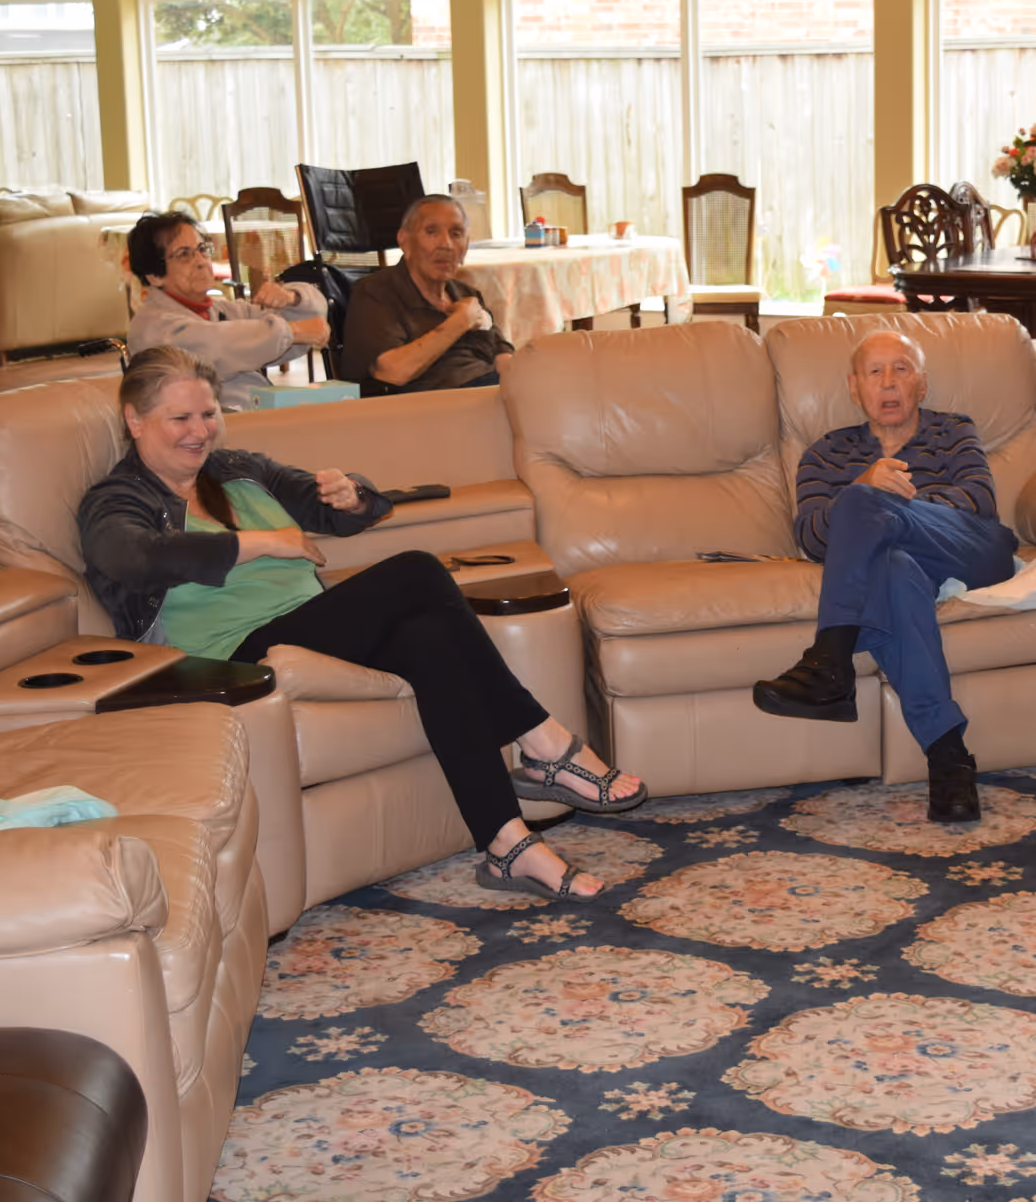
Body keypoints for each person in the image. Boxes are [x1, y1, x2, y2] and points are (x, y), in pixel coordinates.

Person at [79, 346, 644, 902]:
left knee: (430, 639)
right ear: (136, 419)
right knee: (417, 571)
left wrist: (351, 496)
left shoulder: (237, 470)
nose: (200, 431)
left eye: (208, 413)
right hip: (234, 661)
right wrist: (262, 542)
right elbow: (133, 556)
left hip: (306, 627)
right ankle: (544, 741)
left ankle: (507, 843)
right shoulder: (117, 499)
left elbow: (339, 505)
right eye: (180, 418)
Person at [752, 330, 1017, 823]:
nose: (889, 381)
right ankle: (949, 758)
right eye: (875, 372)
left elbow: (979, 501)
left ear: (922, 384)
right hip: (903, 567)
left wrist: (888, 507)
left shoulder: (954, 430)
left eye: (902, 369)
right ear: (854, 387)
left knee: (864, 502)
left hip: (970, 550)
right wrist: (864, 491)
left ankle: (830, 660)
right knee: (893, 568)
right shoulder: (825, 453)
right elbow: (810, 536)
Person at [125, 211, 329, 410]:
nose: (201, 261)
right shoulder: (153, 326)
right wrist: (294, 331)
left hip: (254, 415)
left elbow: (313, 317)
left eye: (202, 249)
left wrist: (291, 298)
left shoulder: (218, 310)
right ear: (154, 276)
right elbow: (218, 344)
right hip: (209, 427)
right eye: (184, 254)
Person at [341, 194, 513, 393]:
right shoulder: (376, 292)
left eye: (456, 234)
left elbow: (502, 354)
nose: (446, 244)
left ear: (466, 246)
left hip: (488, 393)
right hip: (430, 402)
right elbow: (393, 372)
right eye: (431, 232)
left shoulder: (465, 294)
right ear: (404, 241)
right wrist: (460, 322)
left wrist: (520, 379)